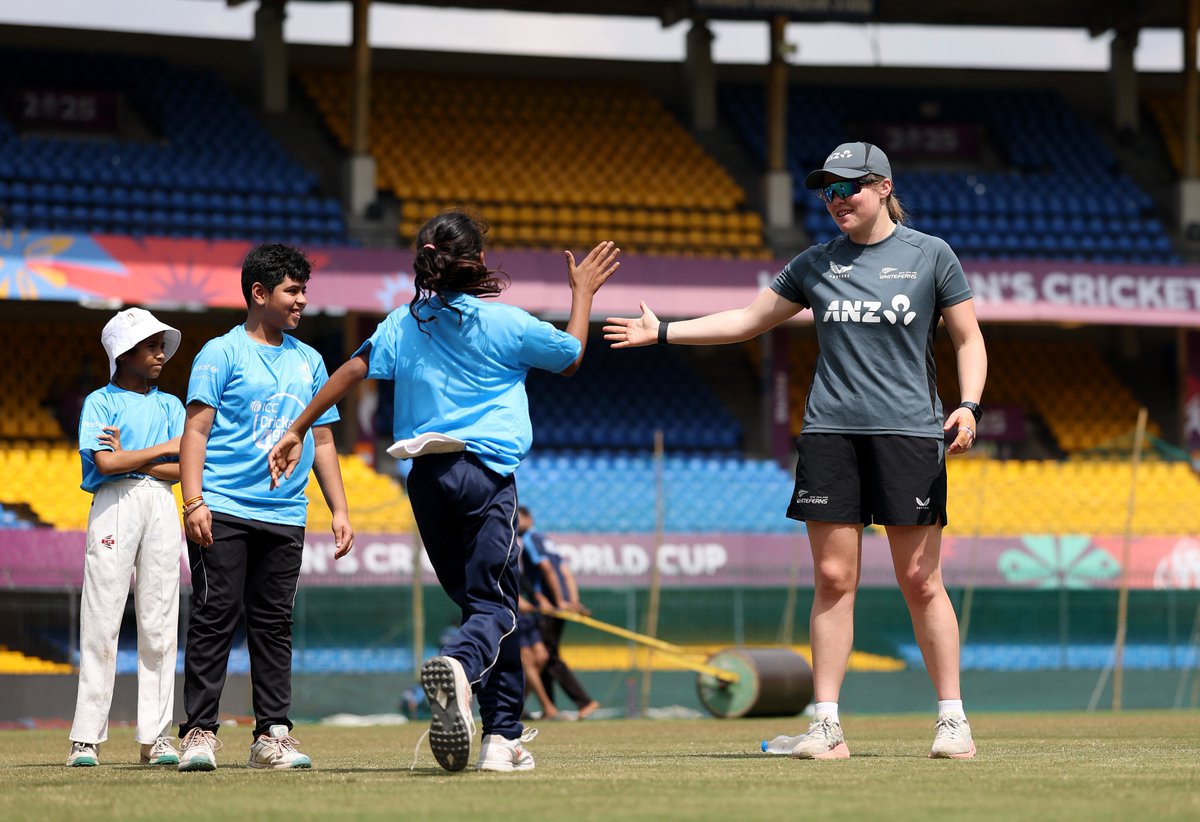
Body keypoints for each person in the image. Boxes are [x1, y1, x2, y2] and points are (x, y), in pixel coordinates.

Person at [605, 142, 987, 760]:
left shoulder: (931, 255)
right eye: (827, 192)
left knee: (920, 579)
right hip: (831, 434)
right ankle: (827, 727)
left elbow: (969, 338)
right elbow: (748, 320)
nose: (835, 201)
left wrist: (968, 405)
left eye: (848, 189)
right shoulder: (814, 264)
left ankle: (952, 721)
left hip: (911, 435)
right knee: (834, 578)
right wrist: (666, 331)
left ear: (883, 187)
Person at [267, 210, 619, 773]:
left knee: (481, 605)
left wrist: (297, 427)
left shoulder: (402, 323)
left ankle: (501, 738)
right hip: (483, 475)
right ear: (477, 261)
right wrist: (581, 294)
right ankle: (458, 664)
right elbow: (573, 358)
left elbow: (350, 372)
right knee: (497, 607)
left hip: (425, 480)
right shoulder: (504, 322)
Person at [176, 243, 354, 772]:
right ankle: (199, 734)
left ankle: (272, 735)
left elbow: (322, 440)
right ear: (260, 293)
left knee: (274, 625)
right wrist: (193, 501)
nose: (302, 301)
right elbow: (196, 431)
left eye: (304, 291)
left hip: (284, 515)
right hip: (223, 507)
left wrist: (339, 509)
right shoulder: (220, 352)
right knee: (214, 618)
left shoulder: (310, 360)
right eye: (292, 291)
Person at [66, 307, 185, 768]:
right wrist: (158, 451)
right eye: (151, 347)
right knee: (101, 617)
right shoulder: (100, 401)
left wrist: (132, 456)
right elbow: (105, 465)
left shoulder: (172, 405)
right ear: (124, 353)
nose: (161, 356)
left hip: (159, 501)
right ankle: (85, 739)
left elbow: (183, 468)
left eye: (160, 346)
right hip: (113, 503)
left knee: (159, 620)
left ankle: (156, 737)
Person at [520, 506, 599, 719]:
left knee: (549, 656)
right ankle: (549, 708)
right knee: (545, 656)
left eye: (518, 518)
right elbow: (565, 571)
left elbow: (548, 569)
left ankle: (584, 701)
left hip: (551, 607)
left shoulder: (529, 540)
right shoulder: (547, 541)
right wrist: (573, 601)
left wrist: (559, 601)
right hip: (558, 605)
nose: (515, 523)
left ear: (529, 518)